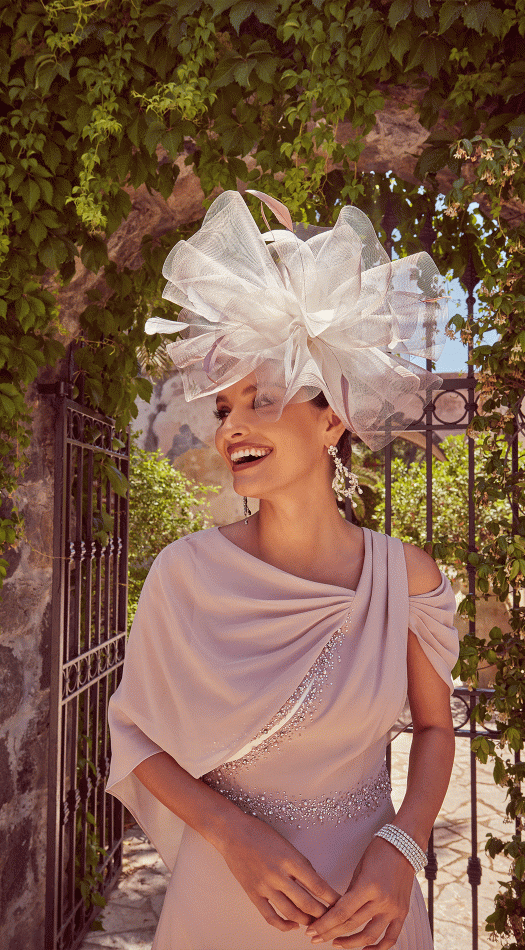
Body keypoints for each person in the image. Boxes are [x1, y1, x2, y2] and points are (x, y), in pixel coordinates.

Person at [107, 190, 459, 950]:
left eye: (261, 398)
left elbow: (435, 728)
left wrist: (402, 848)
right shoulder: (183, 575)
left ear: (332, 417)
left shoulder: (407, 580)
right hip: (221, 905)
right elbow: (134, 737)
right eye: (224, 407)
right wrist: (231, 835)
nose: (233, 425)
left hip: (373, 916)